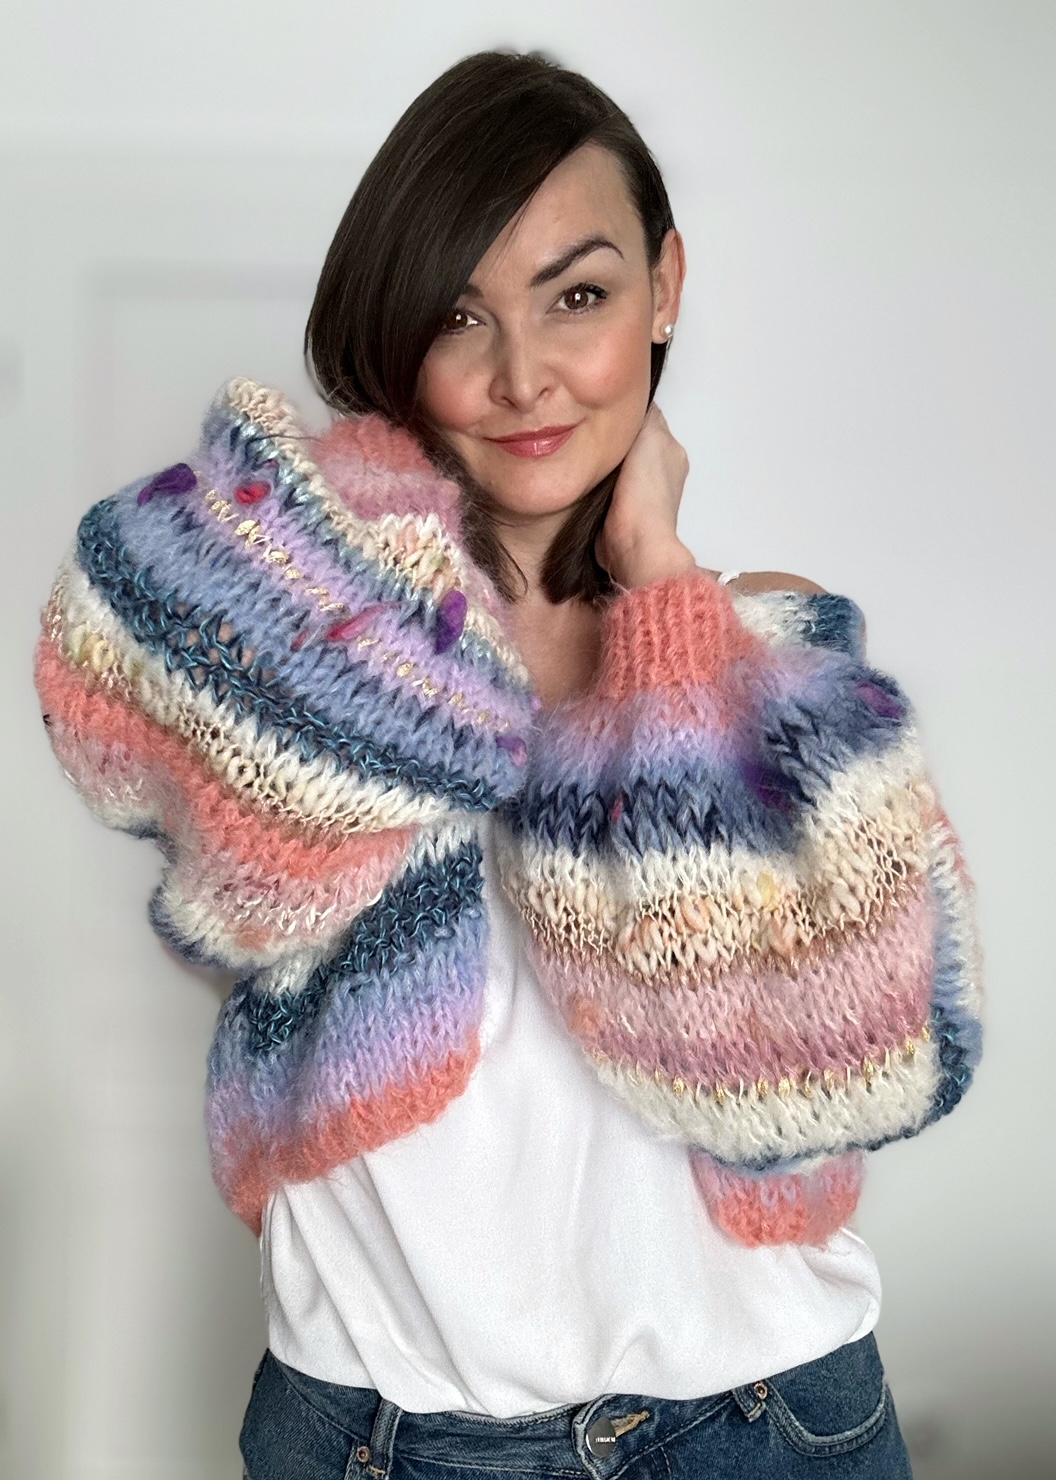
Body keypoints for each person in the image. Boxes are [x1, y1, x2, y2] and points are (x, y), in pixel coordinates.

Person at [35, 49, 982, 1480]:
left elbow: (856, 1065)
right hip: (369, 1435)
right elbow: (121, 733)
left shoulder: (768, 649)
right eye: (459, 314)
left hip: (758, 1427)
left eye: (577, 297)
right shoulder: (286, 612)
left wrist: (662, 597)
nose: (523, 374)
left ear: (665, 288)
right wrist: (380, 533)